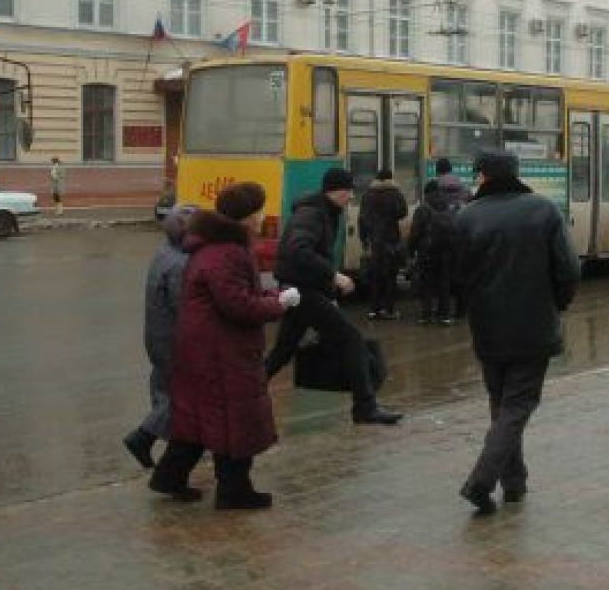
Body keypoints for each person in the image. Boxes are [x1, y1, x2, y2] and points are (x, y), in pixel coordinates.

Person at [148, 183, 300, 509]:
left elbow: (238, 296)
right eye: (258, 211)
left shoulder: (216, 247)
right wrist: (280, 304)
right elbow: (239, 306)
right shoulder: (228, 253)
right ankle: (234, 491)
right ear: (245, 217)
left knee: (201, 420)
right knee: (235, 421)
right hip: (222, 351)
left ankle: (169, 477)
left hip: (206, 348)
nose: (261, 218)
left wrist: (271, 296)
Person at [455, 150, 579, 514]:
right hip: (534, 324)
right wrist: (558, 303)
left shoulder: (467, 217)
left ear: (484, 177)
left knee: (502, 404)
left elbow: (457, 276)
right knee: (518, 405)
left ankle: (515, 482)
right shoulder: (543, 210)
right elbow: (569, 270)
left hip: (488, 327)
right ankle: (481, 480)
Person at [264, 167, 402, 425]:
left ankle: (246, 393)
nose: (350, 196)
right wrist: (334, 276)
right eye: (347, 191)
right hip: (302, 290)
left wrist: (329, 287)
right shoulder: (312, 214)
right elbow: (298, 249)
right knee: (351, 339)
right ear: (333, 191)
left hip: (302, 290)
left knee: (283, 350)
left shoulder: (325, 212)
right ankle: (365, 407)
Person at [122, 204, 197, 470]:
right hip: (173, 339)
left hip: (157, 334)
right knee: (180, 393)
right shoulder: (181, 263)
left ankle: (157, 440)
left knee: (164, 389)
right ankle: (143, 437)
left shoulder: (164, 252)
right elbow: (184, 307)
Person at [358, 168, 408, 321]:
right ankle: (389, 310)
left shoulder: (367, 194)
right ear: (390, 179)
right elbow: (403, 212)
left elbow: (362, 218)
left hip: (375, 240)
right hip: (391, 240)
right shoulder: (395, 193)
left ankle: (374, 310)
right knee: (390, 276)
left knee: (376, 276)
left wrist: (364, 238)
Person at [407, 179, 457, 325]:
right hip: (446, 252)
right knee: (444, 284)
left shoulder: (422, 208)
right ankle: (444, 315)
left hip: (427, 252)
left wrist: (411, 251)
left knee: (426, 284)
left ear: (426, 192)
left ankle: (426, 315)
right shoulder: (448, 207)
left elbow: (415, 233)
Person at [434, 157, 470, 318]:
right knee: (461, 273)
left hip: (441, 237)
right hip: (461, 234)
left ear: (438, 170)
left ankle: (444, 311)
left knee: (443, 275)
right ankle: (462, 310)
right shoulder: (463, 187)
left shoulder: (435, 187)